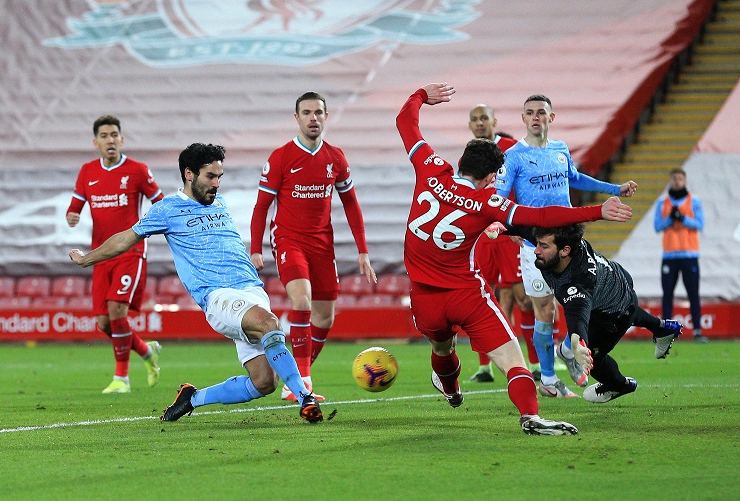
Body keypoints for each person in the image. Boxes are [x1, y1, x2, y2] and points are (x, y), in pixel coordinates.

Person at [396, 82, 633, 435]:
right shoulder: (488, 203)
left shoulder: (430, 167)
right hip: (465, 294)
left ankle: (451, 389)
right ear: (492, 177)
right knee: (512, 361)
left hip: (422, 296)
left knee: (443, 348)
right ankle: (531, 416)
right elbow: (542, 218)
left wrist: (420, 97)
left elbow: (405, 123)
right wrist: (597, 210)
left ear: (461, 162)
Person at [69, 143, 323, 424]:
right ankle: (305, 397)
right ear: (189, 174)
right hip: (219, 297)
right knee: (270, 324)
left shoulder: (220, 203)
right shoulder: (167, 210)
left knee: (264, 382)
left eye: (219, 176)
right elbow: (126, 238)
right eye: (210, 177)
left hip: (253, 291)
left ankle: (193, 398)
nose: (216, 184)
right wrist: (87, 259)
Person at [495, 94, 638, 399]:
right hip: (537, 247)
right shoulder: (514, 156)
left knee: (575, 305)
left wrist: (615, 189)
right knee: (544, 310)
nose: (535, 117)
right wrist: (510, 228)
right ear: (523, 119)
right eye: (530, 113)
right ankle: (548, 378)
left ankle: (570, 350)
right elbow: (499, 197)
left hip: (570, 247)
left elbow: (574, 178)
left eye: (541, 113)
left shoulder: (560, 149)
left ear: (551, 117)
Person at [250, 91, 377, 402]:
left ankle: (295, 371)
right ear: (297, 118)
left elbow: (351, 204)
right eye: (306, 112)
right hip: (288, 239)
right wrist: (256, 248)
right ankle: (302, 381)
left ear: (326, 117)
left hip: (322, 244)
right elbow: (261, 206)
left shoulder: (335, 158)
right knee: (302, 299)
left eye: (318, 112)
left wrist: (363, 250)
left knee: (325, 317)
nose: (313, 118)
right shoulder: (281, 157)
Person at [66, 115, 163, 394]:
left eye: (114, 135)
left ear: (122, 139)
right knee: (105, 323)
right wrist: (72, 215)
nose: (110, 140)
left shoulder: (137, 170)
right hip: (100, 254)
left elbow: (160, 202)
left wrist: (147, 230)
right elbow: (75, 205)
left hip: (131, 251)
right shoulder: (87, 171)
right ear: (96, 143)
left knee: (116, 310)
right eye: (105, 136)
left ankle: (122, 378)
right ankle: (147, 352)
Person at [532, 224, 683, 403]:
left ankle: (619, 385)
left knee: (593, 357)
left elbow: (578, 315)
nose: (536, 250)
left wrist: (578, 343)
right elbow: (523, 226)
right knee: (623, 308)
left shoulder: (577, 283)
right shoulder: (571, 243)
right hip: (617, 281)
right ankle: (662, 328)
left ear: (565, 251)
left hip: (615, 313)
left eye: (544, 246)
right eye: (537, 243)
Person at [466, 104, 538, 383]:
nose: (480, 123)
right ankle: (484, 368)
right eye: (475, 119)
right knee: (480, 296)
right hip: (482, 234)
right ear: (470, 125)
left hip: (508, 232)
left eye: (484, 118)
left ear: (494, 121)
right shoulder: (469, 154)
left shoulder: (511, 147)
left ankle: (533, 363)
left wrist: (520, 222)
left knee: (523, 297)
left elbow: (525, 183)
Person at [654, 168, 706, 343]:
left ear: (685, 181)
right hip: (669, 255)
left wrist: (682, 218)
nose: (677, 181)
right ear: (670, 181)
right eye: (674, 178)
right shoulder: (663, 203)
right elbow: (657, 226)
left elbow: (700, 224)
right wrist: (670, 218)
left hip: (689, 254)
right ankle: (668, 331)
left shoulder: (694, 201)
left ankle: (697, 331)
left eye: (680, 179)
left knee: (693, 293)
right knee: (667, 294)